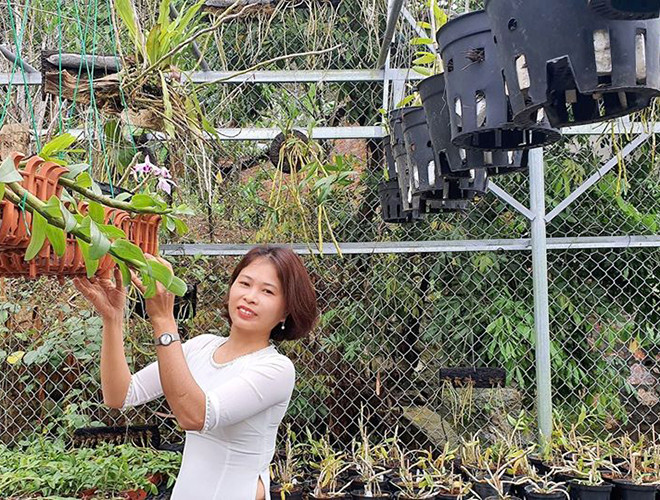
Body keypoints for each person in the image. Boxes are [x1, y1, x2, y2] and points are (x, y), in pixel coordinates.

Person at [73, 245, 318, 500]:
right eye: (245, 283)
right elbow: (120, 394)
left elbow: (196, 415)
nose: (250, 296)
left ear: (286, 311)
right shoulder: (201, 346)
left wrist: (164, 319)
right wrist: (112, 318)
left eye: (267, 291)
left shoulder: (276, 369)